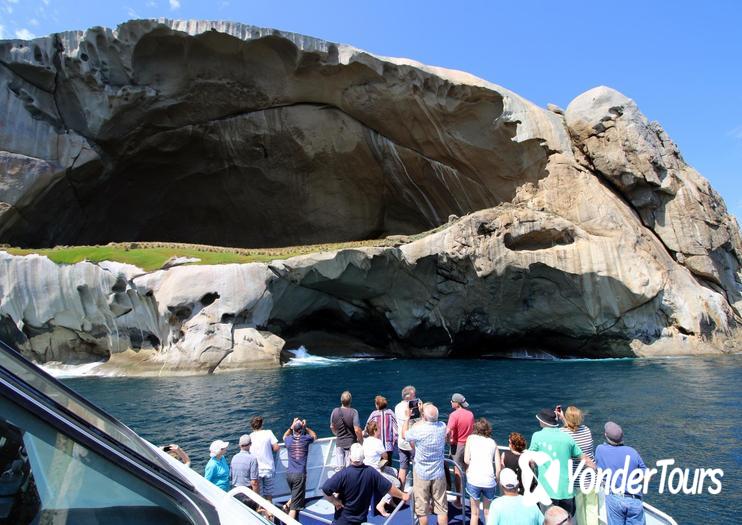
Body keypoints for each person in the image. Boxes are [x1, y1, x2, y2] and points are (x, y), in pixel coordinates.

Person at [321, 443, 409, 525]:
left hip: (341, 520)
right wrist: (402, 495)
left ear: (350, 457)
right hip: (359, 520)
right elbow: (389, 488)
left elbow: (325, 489)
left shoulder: (344, 474)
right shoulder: (371, 472)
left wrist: (335, 501)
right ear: (363, 457)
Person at [529, 408, 594, 516]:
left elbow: (530, 460)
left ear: (542, 421)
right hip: (567, 491)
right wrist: (596, 470)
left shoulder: (537, 436)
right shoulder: (567, 436)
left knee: (549, 520)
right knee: (566, 521)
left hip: (547, 491)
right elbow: (585, 459)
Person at [403, 402, 448, 525]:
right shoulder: (443, 427)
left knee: (422, 509)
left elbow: (404, 435)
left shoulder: (418, 429)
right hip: (438, 473)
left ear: (423, 416)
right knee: (442, 508)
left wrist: (407, 418)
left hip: (422, 473)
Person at [595, 422, 647, 525]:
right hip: (634, 500)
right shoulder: (632, 451)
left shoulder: (600, 449)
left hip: (615, 498)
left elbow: (599, 469)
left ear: (606, 435)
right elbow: (646, 475)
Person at [559, 406, 598, 525]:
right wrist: (563, 419)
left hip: (576, 479)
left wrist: (562, 420)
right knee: (592, 508)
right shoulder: (586, 429)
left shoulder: (563, 433)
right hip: (591, 476)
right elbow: (573, 428)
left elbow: (568, 433)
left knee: (580, 509)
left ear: (567, 418)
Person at [464, 418, 500, 525]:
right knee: (488, 513)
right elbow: (498, 468)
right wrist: (496, 481)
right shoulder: (493, 443)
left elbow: (466, 460)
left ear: (475, 429)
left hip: (474, 479)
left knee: (474, 514)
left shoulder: (471, 438)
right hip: (489, 481)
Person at [363, 420, 401, 516]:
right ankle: (381, 504)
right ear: (375, 430)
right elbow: (385, 457)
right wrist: (382, 466)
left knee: (395, 472)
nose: (380, 430)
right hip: (375, 472)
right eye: (379, 429)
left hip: (366, 469)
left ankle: (390, 500)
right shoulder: (378, 442)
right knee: (397, 484)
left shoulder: (365, 441)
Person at [283, 418, 317, 520]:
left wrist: (291, 426)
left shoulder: (289, 440)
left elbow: (284, 436)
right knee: (295, 507)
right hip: (299, 475)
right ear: (301, 429)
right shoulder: (305, 439)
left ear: (293, 429)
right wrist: (305, 427)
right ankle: (290, 520)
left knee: (295, 495)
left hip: (289, 474)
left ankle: (286, 506)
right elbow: (314, 436)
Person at [447, 393, 474, 508]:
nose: (451, 403)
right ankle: (473, 497)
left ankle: (458, 500)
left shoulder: (454, 415)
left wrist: (447, 440)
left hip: (457, 446)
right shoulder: (470, 414)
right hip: (469, 445)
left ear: (457, 403)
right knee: (469, 472)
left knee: (457, 472)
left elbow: (447, 431)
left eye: (452, 401)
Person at [250, 416, 280, 503]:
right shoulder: (268, 433)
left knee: (259, 495)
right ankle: (269, 514)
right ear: (262, 424)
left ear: (252, 426)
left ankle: (261, 513)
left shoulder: (250, 436)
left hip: (256, 470)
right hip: (268, 468)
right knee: (269, 494)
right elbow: (276, 448)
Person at [330, 391, 363, 471]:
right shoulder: (354, 412)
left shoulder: (335, 411)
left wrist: (337, 434)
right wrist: (361, 441)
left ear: (341, 400)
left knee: (340, 469)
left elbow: (331, 426)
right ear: (350, 400)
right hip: (350, 444)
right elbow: (357, 430)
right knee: (350, 469)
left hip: (339, 444)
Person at [394, 385, 418, 487]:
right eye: (414, 395)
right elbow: (417, 422)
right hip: (412, 443)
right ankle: (418, 491)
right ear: (408, 396)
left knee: (403, 467)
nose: (415, 396)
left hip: (401, 442)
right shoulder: (411, 408)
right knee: (417, 467)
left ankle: (401, 490)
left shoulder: (397, 406)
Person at [230, 434, 259, 508]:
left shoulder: (234, 457)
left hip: (235, 491)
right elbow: (254, 482)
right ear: (250, 444)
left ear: (240, 445)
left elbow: (231, 476)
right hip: (247, 493)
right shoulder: (252, 459)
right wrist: (257, 499)